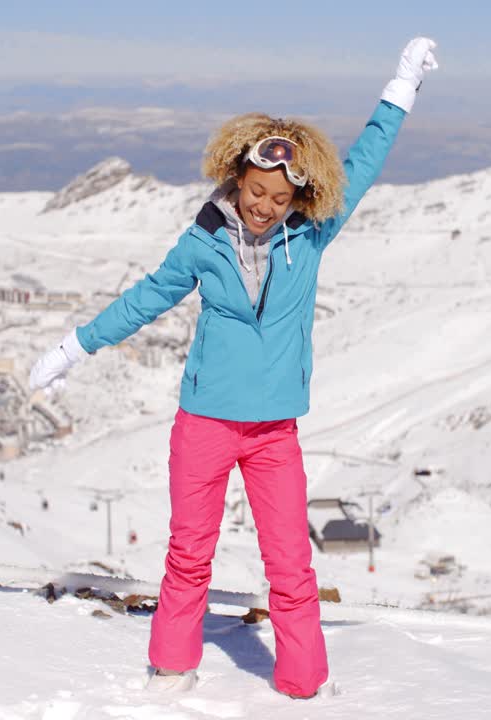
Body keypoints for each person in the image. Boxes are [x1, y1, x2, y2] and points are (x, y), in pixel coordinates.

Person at [29, 37, 439, 699]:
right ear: (236, 179)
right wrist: (74, 347)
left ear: (297, 196)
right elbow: (146, 298)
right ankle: (172, 668)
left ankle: (304, 684)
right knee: (189, 553)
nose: (264, 205)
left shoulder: (312, 234)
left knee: (291, 564)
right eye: (256, 190)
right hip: (206, 424)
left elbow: (365, 160)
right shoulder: (204, 241)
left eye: (279, 196)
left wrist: (403, 86)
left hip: (275, 431)